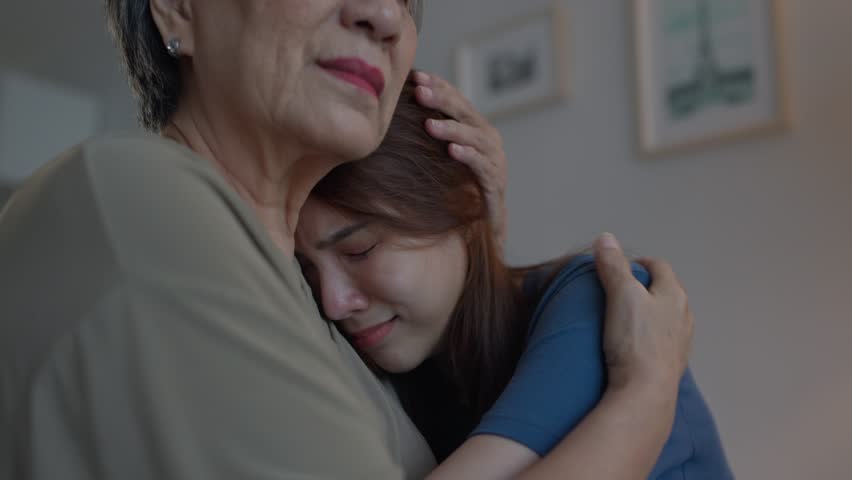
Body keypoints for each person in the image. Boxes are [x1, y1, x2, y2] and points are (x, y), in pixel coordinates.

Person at [0, 1, 693, 479]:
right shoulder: (136, 195)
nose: (387, 15)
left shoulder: (321, 323)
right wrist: (646, 397)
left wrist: (481, 229)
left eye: (408, 0)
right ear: (179, 7)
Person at [296, 79, 734, 479]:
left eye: (360, 250)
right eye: (308, 271)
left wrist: (645, 387)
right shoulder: (405, 381)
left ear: (464, 201)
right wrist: (647, 390)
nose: (333, 303)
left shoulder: (600, 302)